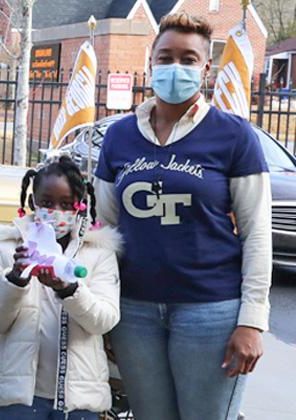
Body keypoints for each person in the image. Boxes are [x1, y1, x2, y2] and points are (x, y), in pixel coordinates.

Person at [94, 13, 271, 420]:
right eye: (166, 56)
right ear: (149, 62)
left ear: (206, 68)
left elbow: (257, 234)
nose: (176, 67)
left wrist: (252, 322)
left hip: (211, 312)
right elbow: (104, 232)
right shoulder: (119, 137)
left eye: (189, 59)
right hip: (134, 312)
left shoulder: (234, 135)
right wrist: (102, 309)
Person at [0, 156, 121, 419]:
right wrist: (16, 279)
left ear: (79, 206)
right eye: (46, 203)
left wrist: (69, 290)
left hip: (78, 401)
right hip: (18, 398)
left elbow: (104, 320)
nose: (55, 212)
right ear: (33, 202)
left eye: (66, 204)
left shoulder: (98, 252)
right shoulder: (5, 248)